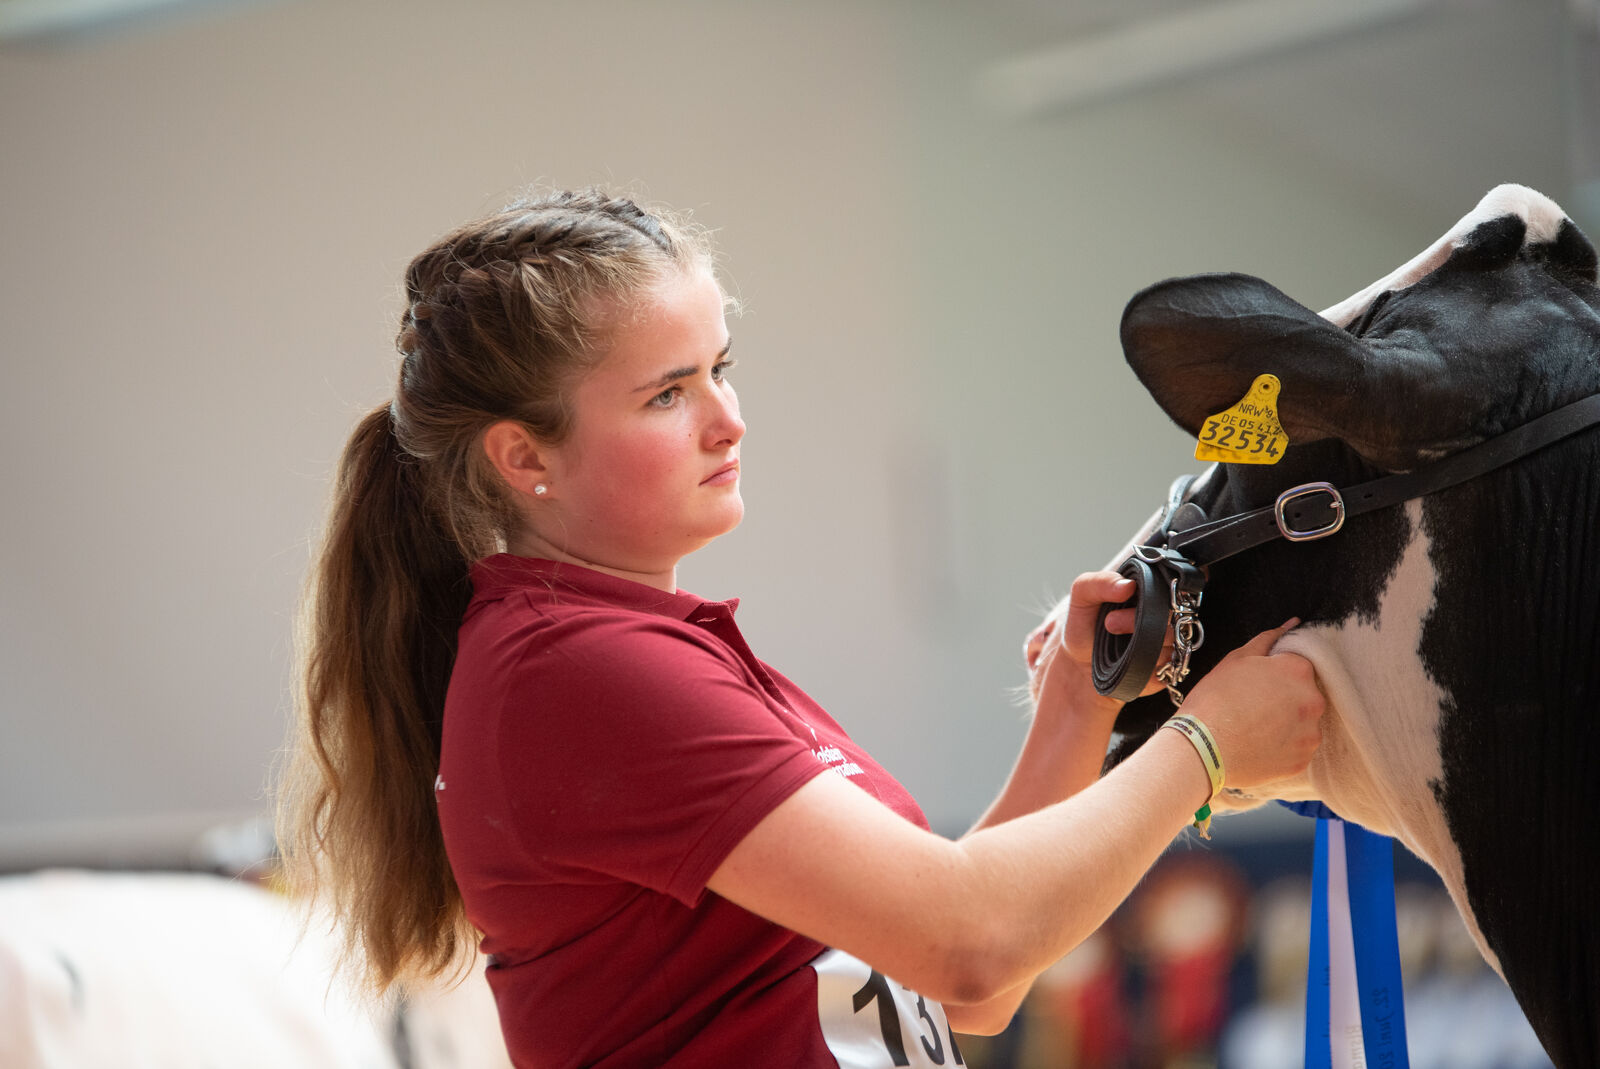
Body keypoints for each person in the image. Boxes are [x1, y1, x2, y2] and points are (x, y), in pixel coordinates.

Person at [276, 188, 1324, 1069]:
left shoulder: (642, 647)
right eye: (667, 393)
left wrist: (1072, 714)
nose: (727, 419)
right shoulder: (578, 672)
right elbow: (970, 946)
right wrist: (1207, 743)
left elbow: (964, 982)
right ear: (523, 458)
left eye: (719, 369)